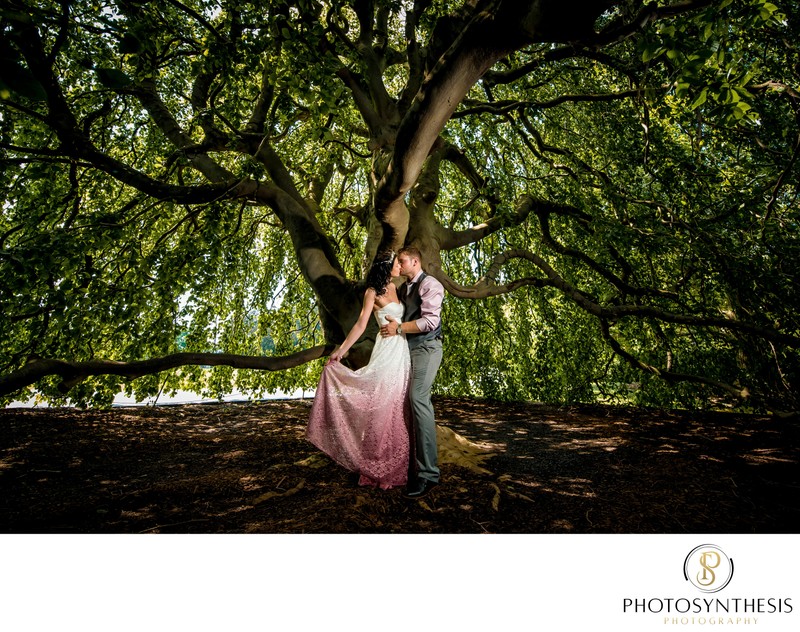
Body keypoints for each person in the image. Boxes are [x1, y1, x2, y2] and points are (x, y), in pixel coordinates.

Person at [306, 252, 411, 489]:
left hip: (401, 352)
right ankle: (375, 467)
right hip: (385, 351)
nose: (399, 267)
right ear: (386, 267)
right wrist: (341, 351)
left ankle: (396, 466)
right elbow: (361, 324)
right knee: (382, 407)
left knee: (397, 406)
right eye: (396, 264)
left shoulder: (398, 288)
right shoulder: (373, 292)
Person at [380, 246, 444, 499]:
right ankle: (407, 465)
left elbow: (430, 322)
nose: (400, 264)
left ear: (415, 261)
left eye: (403, 261)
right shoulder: (404, 288)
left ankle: (429, 475)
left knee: (418, 398)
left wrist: (398, 328)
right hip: (406, 350)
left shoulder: (432, 285)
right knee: (401, 403)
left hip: (427, 347)